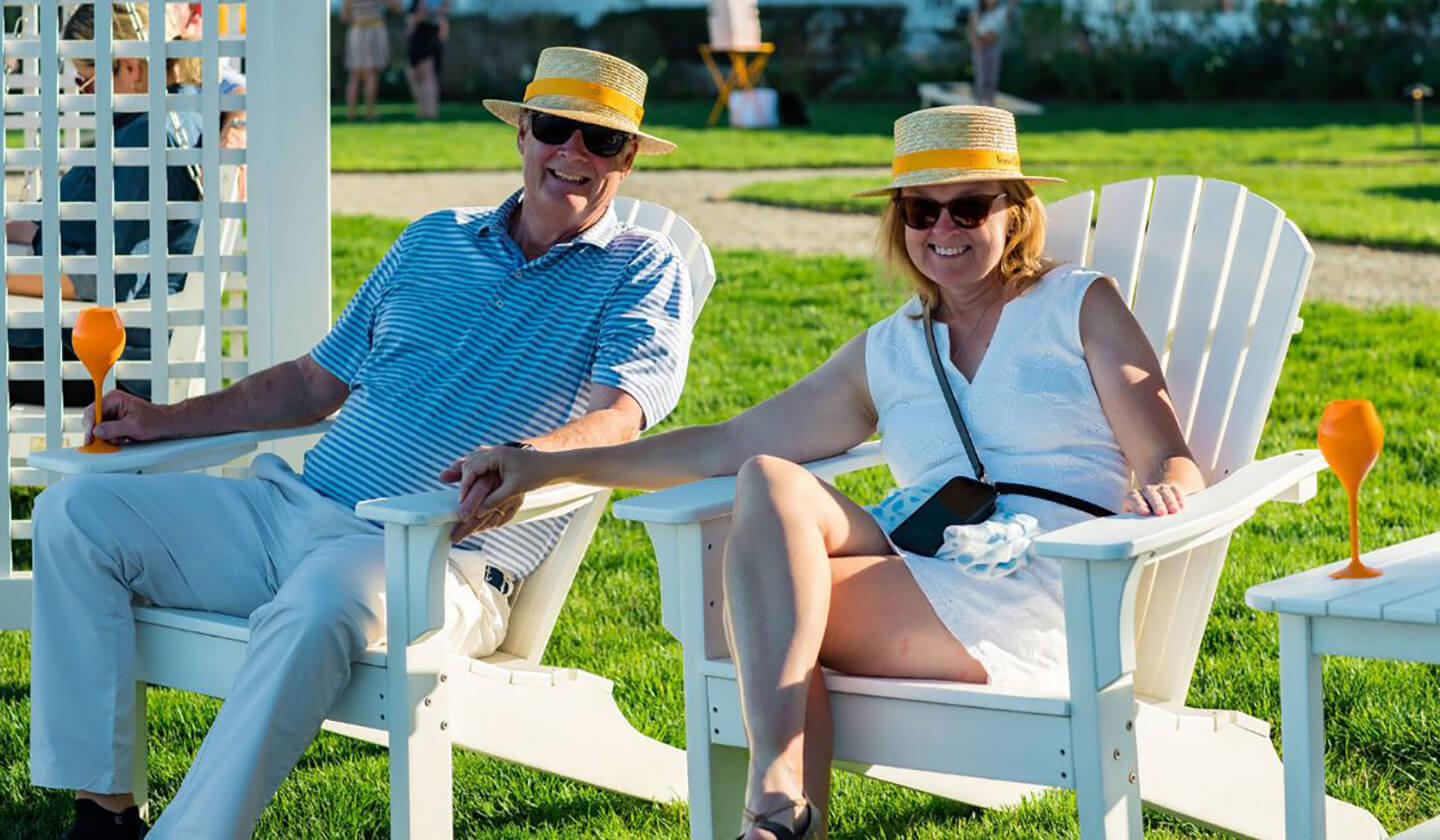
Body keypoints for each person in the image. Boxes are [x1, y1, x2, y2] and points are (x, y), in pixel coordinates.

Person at [443, 105, 1207, 839]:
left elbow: (1166, 453)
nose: (942, 229)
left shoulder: (1079, 303)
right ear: (899, 221)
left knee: (756, 613)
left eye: (968, 207)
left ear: (1015, 212)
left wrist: (1167, 486)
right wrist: (545, 464)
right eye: (920, 210)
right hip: (930, 562)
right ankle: (781, 803)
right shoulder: (890, 349)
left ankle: (777, 805)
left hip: (1054, 581)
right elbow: (725, 442)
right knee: (768, 479)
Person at [29, 46, 689, 840]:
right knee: (76, 514)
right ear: (522, 135)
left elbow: (623, 413)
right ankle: (104, 815)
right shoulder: (431, 241)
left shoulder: (641, 267)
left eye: (603, 142)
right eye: (557, 128)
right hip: (292, 511)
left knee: (321, 600)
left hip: (437, 556)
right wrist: (167, 419)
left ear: (628, 165)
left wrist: (532, 462)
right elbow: (313, 383)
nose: (574, 155)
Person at [3, 2, 245, 406]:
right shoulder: (179, 111)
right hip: (111, 342)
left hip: (113, 360)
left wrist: (8, 278)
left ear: (130, 67)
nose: (84, 94)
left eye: (88, 80)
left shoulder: (146, 137)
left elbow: (111, 279)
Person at [341, 0, 401, 122]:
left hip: (356, 30)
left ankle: (351, 113)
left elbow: (344, 16)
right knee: (372, 74)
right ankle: (369, 112)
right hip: (374, 30)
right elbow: (397, 8)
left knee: (354, 75)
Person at [404, 0, 447, 120]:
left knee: (426, 76)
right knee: (419, 75)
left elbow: (426, 14)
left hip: (425, 33)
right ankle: (425, 111)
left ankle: (429, 112)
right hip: (427, 33)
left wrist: (413, 21)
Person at [968, 0, 1016, 106]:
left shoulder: (999, 13)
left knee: (992, 77)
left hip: (993, 46)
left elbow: (1010, 8)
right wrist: (976, 45)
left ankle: (990, 103)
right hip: (980, 47)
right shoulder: (977, 13)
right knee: (981, 77)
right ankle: (979, 103)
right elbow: (972, 31)